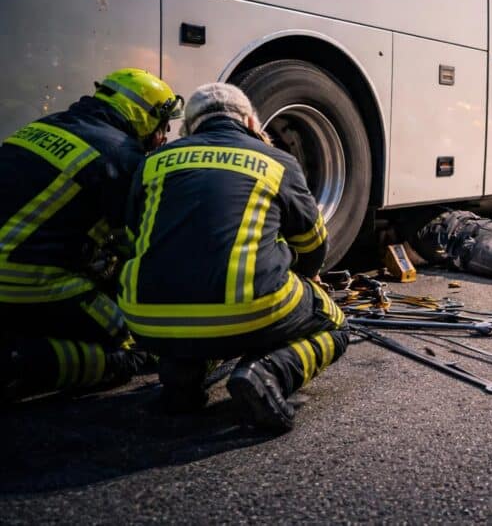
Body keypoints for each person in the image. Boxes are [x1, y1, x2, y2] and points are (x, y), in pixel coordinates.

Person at [118, 83, 347, 432]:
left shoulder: (153, 162)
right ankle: (268, 370)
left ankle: (181, 380)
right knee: (334, 322)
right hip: (249, 309)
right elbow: (313, 245)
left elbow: (135, 238)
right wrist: (300, 274)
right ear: (252, 123)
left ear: (190, 127)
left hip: (147, 319)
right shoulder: (278, 162)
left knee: (195, 303)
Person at [0, 68, 181, 402]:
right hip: (29, 278)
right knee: (136, 345)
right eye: (162, 125)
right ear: (144, 116)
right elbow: (138, 245)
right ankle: (21, 364)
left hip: (17, 268)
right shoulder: (122, 156)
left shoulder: (43, 125)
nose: (163, 135)